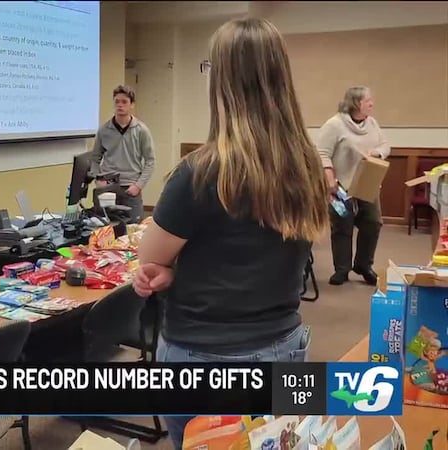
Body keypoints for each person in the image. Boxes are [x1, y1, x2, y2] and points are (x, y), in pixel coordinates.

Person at [132, 18, 329, 449]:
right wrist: (180, 274)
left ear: (222, 81)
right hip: (289, 348)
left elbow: (149, 257)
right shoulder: (309, 165)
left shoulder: (199, 172)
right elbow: (255, 260)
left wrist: (169, 270)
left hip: (206, 357)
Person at [318, 86, 390, 286]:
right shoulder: (335, 125)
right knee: (342, 227)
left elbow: (385, 145)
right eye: (368, 101)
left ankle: (363, 265)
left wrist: (377, 154)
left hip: (366, 183)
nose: (372, 104)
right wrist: (329, 177)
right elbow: (322, 153)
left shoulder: (372, 124)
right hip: (341, 186)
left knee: (373, 222)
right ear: (357, 103)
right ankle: (342, 269)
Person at [90, 85, 155, 223]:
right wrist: (98, 179)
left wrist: (138, 185)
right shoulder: (104, 130)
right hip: (107, 187)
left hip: (130, 188)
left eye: (124, 102)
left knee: (132, 231)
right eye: (117, 102)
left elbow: (150, 161)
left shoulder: (141, 130)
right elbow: (95, 158)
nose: (120, 105)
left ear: (132, 105)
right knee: (104, 229)